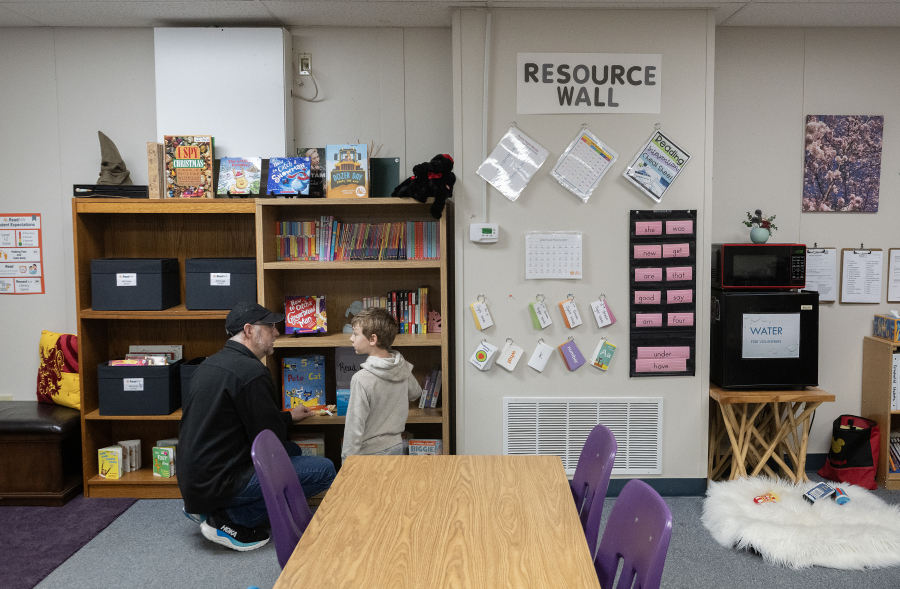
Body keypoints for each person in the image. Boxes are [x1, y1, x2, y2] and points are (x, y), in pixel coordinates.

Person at [178, 301, 336, 551]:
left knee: (293, 451)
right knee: (324, 470)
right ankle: (228, 519)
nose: (276, 332)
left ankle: (205, 506)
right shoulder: (252, 372)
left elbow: (241, 422)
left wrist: (288, 417)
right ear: (250, 330)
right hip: (221, 481)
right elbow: (268, 440)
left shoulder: (209, 364)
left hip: (196, 478)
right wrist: (280, 423)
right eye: (271, 327)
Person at [342, 307, 423, 461]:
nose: (351, 338)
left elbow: (354, 426)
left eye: (355, 334)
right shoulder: (402, 366)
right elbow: (415, 393)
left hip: (369, 453)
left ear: (373, 339)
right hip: (396, 445)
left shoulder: (361, 379)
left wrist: (347, 461)